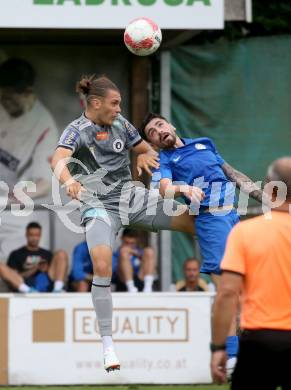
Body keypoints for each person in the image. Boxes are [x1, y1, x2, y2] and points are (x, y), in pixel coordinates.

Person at [51, 75, 204, 372]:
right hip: (99, 205)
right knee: (102, 263)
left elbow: (145, 148)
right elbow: (57, 158)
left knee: (197, 223)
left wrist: (144, 156)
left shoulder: (122, 125)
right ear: (95, 103)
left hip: (132, 198)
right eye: (115, 103)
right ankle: (107, 343)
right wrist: (69, 181)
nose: (119, 109)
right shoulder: (76, 130)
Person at [139, 112, 265, 370]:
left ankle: (245, 352)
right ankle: (231, 357)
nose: (158, 131)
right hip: (210, 221)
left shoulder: (204, 143)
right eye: (152, 132)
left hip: (232, 216)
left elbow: (232, 174)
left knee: (246, 289)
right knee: (228, 291)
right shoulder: (165, 159)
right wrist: (183, 189)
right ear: (153, 143)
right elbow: (162, 188)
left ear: (171, 125)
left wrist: (268, 199)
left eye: (159, 125)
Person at [210, 157, 291, 390]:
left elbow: (227, 293)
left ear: (269, 187)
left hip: (260, 342)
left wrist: (218, 348)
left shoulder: (244, 233)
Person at [0, 58, 59, 262]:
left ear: (27, 93)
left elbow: (45, 184)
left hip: (14, 212)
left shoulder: (44, 126)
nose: (5, 103)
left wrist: (12, 198)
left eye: (9, 98)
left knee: (11, 268)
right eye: (2, 96)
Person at [0, 221, 68, 293]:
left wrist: (46, 269)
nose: (34, 238)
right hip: (26, 286)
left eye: (37, 235)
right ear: (26, 235)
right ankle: (28, 291)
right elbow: (12, 277)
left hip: (48, 285)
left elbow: (56, 272)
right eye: (31, 235)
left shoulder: (47, 254)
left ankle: (57, 289)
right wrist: (34, 269)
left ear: (40, 235)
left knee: (61, 253)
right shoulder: (16, 254)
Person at [112, 228, 156, 293]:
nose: (129, 246)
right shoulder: (115, 254)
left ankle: (148, 287)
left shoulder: (141, 252)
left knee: (149, 251)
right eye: (127, 243)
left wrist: (135, 254)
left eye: (132, 243)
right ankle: (131, 287)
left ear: (137, 240)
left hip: (140, 279)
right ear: (122, 238)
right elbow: (113, 274)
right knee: (124, 252)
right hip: (123, 282)